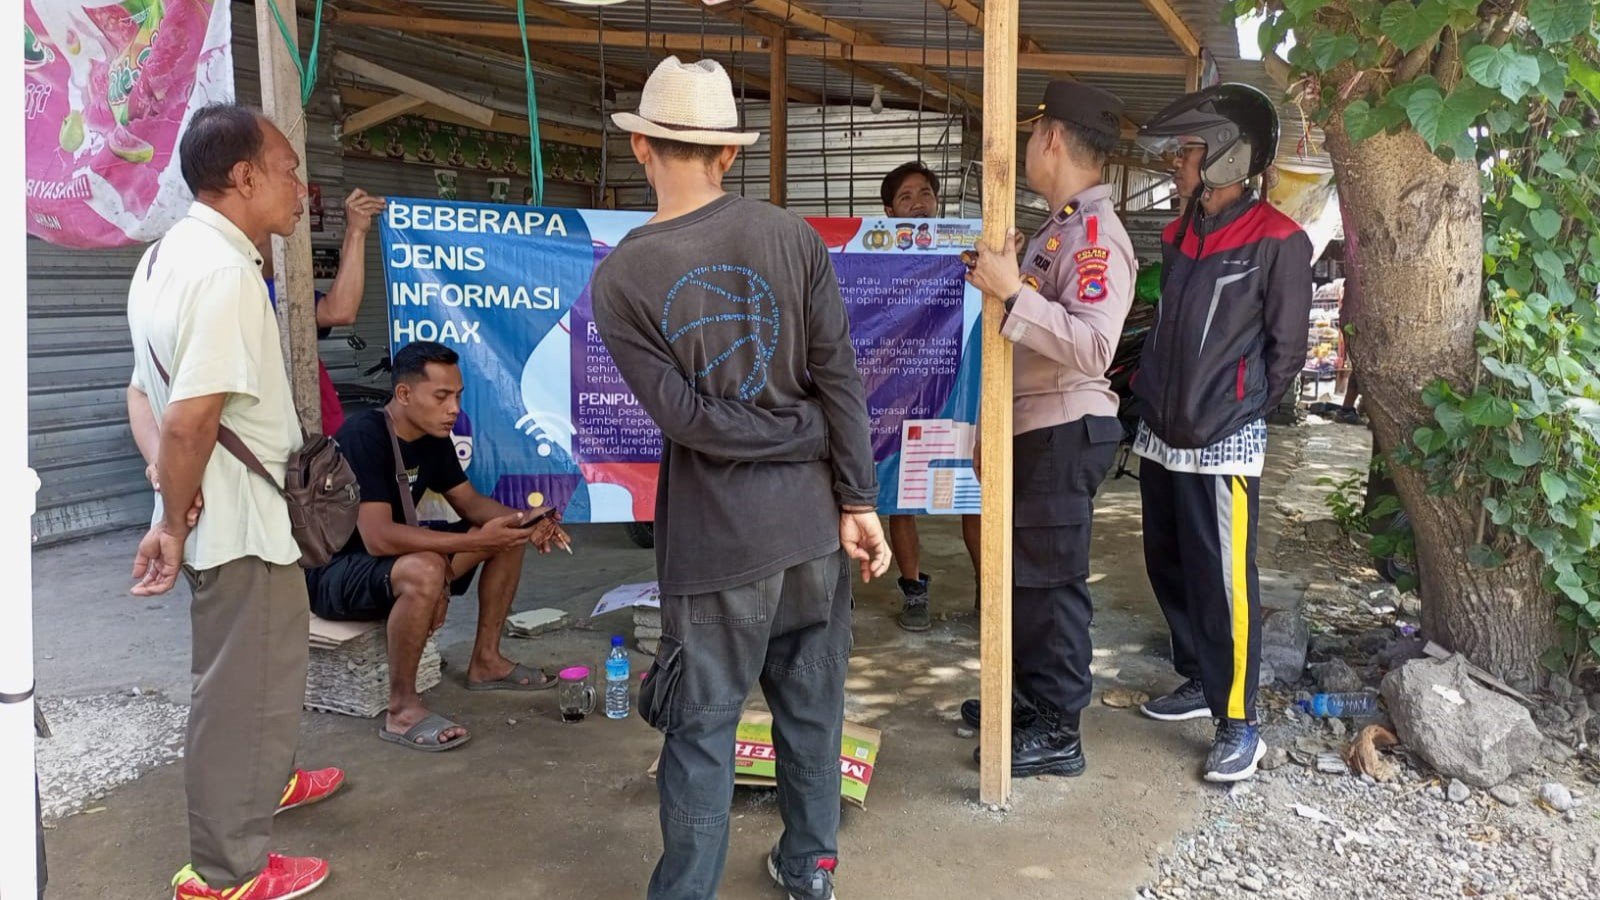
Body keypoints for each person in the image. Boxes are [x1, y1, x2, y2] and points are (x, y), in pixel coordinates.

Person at [590, 57, 891, 900]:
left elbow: (688, 421)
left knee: (701, 733)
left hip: (718, 548)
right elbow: (841, 381)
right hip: (811, 531)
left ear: (643, 147)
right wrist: (855, 495)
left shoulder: (620, 278)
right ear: (726, 155)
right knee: (811, 714)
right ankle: (809, 871)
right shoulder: (791, 238)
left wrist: (800, 447)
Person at [125, 102, 333, 900]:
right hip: (239, 525)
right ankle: (225, 874)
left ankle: (264, 783)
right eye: (286, 170)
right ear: (242, 177)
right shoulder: (219, 273)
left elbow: (140, 399)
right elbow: (187, 420)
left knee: (259, 683)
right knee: (239, 695)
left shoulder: (163, 260)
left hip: (235, 518)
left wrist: (168, 494)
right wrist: (174, 519)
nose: (300, 187)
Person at [1130, 84, 1314, 782]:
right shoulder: (1180, 232)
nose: (1177, 161)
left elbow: (1286, 352)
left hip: (1222, 438)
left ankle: (1238, 720)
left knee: (1224, 581)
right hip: (1161, 430)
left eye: (1188, 150)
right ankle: (1197, 678)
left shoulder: (1279, 241)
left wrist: (1237, 407)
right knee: (1168, 562)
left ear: (1229, 158)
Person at [960, 81, 1137, 779]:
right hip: (1034, 428)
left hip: (1065, 428)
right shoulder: (1057, 228)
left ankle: (1059, 728)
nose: (1027, 145)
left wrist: (1011, 290)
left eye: (1032, 134)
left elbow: (1094, 346)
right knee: (1025, 582)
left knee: (1053, 584)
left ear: (1053, 139)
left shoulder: (1096, 236)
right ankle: (1030, 703)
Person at [305, 340, 571, 751]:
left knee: (504, 536)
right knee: (427, 566)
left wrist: (526, 523)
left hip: (393, 563)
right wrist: (474, 538)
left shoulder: (432, 436)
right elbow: (378, 537)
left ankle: (486, 660)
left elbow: (470, 503)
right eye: (442, 396)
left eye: (457, 396)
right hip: (338, 574)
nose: (453, 409)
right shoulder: (365, 435)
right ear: (405, 394)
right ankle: (401, 710)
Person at [878, 161, 982, 631]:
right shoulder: (875, 260)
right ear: (887, 211)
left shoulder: (966, 255)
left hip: (954, 387)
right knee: (898, 490)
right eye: (906, 197)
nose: (918, 202)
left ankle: (990, 589)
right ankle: (913, 587)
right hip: (897, 394)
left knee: (974, 493)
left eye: (925, 193)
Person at [258, 188, 387, 436]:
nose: (286, 242)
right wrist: (355, 233)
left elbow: (339, 310)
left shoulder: (279, 290)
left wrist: (356, 232)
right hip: (285, 437)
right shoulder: (255, 292)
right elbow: (340, 312)